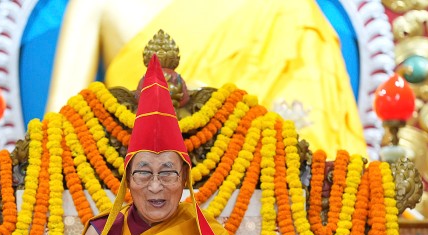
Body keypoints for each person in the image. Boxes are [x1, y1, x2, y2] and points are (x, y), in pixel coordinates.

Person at [46, 0, 369, 158]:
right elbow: (60, 125)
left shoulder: (283, 7)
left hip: (265, 186)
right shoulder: (97, 4)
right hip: (141, 178)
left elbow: (315, 137)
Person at [63, 55, 250, 235]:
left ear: (184, 180)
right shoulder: (103, 232)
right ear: (128, 181)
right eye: (143, 173)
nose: (155, 186)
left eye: (167, 173)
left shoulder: (203, 230)